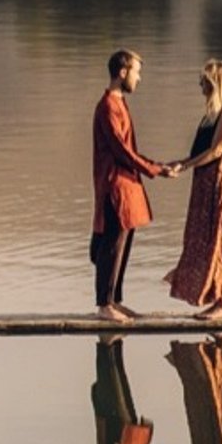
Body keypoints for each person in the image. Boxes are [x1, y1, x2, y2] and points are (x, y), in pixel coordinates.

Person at [91, 48, 177, 322]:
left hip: (126, 185)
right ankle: (105, 305)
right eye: (136, 73)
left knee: (123, 243)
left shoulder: (119, 104)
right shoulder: (108, 107)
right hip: (114, 185)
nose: (138, 79)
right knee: (112, 245)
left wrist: (156, 166)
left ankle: (115, 300)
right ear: (123, 72)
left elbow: (128, 150)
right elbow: (122, 152)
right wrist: (156, 169)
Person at [164, 60, 222, 319]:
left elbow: (218, 150)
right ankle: (216, 297)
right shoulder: (209, 116)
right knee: (203, 238)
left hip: (219, 180)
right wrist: (183, 164)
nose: (201, 87)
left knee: (219, 239)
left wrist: (184, 165)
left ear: (215, 84)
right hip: (204, 180)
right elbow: (201, 151)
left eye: (204, 83)